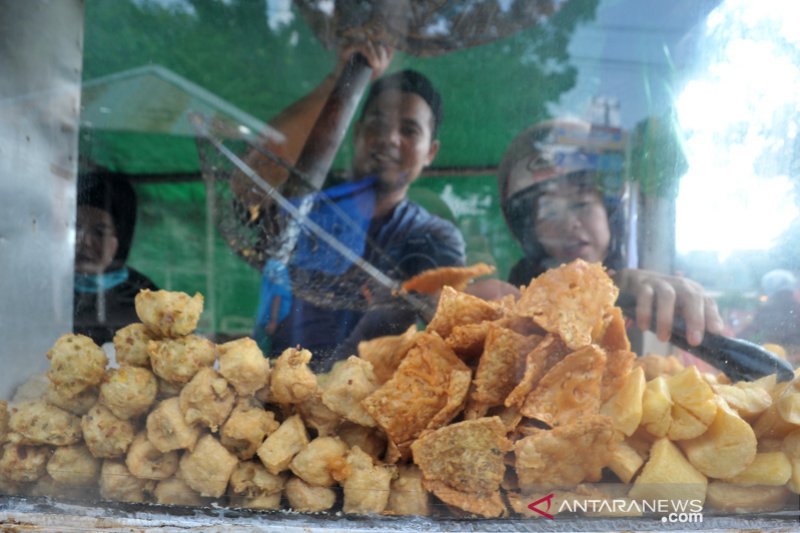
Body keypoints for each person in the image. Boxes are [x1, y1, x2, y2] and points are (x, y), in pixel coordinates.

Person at [238, 43, 465, 370]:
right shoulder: (303, 202)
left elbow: (438, 326)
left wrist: (324, 389)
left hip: (357, 408)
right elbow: (251, 182)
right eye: (378, 123)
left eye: (409, 130)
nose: (390, 138)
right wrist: (338, 81)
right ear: (356, 132)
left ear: (430, 151)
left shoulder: (434, 236)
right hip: (265, 391)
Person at [497, 118, 724, 346]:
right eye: (549, 213)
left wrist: (626, 289)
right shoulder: (509, 305)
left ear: (611, 214)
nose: (570, 224)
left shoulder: (643, 289)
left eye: (581, 204)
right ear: (531, 234)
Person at [73, 172, 158, 345]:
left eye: (99, 232)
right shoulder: (50, 290)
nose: (85, 242)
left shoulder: (142, 294)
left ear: (121, 239)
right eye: (76, 227)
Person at [740, 269, 800, 348]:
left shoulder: (766, 310)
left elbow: (750, 330)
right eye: (783, 293)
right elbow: (750, 330)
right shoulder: (766, 310)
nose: (785, 297)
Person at [252, 258, 293, 355]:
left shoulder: (271, 265)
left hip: (265, 318)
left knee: (259, 353)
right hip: (274, 320)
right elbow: (277, 296)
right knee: (269, 355)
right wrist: (273, 320)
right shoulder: (279, 266)